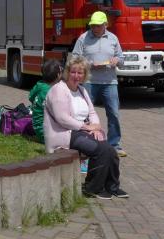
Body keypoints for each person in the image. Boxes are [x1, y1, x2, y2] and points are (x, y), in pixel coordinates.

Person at [44, 56, 125, 200]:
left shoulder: (82, 90)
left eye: (80, 73)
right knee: (101, 150)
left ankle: (112, 186)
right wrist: (86, 127)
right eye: (73, 72)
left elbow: (92, 112)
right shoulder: (59, 90)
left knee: (111, 150)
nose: (76, 76)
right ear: (67, 72)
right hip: (65, 133)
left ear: (84, 75)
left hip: (81, 131)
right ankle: (92, 188)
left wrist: (96, 128)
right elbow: (62, 119)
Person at [71, 11, 126, 157]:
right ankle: (85, 143)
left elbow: (121, 59)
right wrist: (89, 64)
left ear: (105, 25)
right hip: (89, 81)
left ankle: (114, 145)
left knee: (113, 113)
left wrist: (117, 60)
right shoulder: (83, 38)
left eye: (98, 25)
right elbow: (74, 58)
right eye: (93, 25)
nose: (95, 28)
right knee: (84, 113)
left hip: (110, 82)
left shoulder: (113, 38)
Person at [28, 59, 63, 144]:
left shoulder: (39, 85)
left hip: (38, 130)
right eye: (61, 71)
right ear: (58, 75)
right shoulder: (53, 91)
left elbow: (30, 97)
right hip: (48, 133)